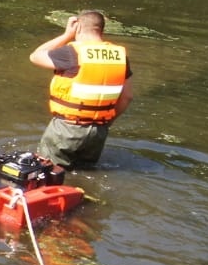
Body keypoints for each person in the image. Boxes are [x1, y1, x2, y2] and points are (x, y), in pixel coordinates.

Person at [28, 9, 132, 169]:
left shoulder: (72, 52)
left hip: (67, 128)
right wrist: (105, 123)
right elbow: (127, 97)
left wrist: (66, 35)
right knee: (85, 173)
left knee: (47, 172)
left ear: (78, 28)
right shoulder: (120, 56)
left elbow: (36, 56)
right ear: (101, 30)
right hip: (99, 131)